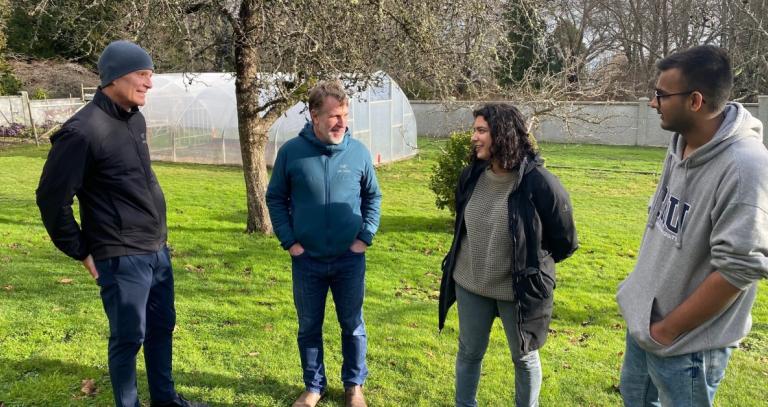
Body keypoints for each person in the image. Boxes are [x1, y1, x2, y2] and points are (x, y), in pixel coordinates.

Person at [36, 40, 206, 407]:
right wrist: (80, 250)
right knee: (129, 337)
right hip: (120, 255)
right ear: (114, 76)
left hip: (156, 250)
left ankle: (165, 399)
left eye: (151, 75)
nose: (150, 83)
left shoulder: (135, 118)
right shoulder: (81, 132)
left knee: (162, 328)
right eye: (142, 74)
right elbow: (52, 199)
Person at [617, 45, 768, 406]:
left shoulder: (745, 167)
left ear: (695, 101)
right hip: (645, 324)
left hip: (688, 345)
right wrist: (642, 309)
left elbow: (740, 268)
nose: (653, 103)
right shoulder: (682, 145)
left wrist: (668, 331)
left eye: (661, 95)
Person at [438, 103, 578, 406]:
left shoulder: (538, 182)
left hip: (517, 290)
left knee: (524, 358)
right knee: (469, 353)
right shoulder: (470, 176)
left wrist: (530, 265)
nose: (473, 137)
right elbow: (464, 224)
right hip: (470, 283)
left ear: (502, 134)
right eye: (474, 130)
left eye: (481, 131)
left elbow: (564, 239)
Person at [266, 79, 382, 407]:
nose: (341, 122)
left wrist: (365, 236)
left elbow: (373, 195)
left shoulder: (357, 152)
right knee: (309, 327)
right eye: (333, 115)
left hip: (349, 258)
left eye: (345, 114)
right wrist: (290, 242)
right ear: (314, 116)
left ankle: (354, 386)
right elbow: (275, 197)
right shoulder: (292, 152)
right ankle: (313, 387)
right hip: (308, 260)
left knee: (353, 325)